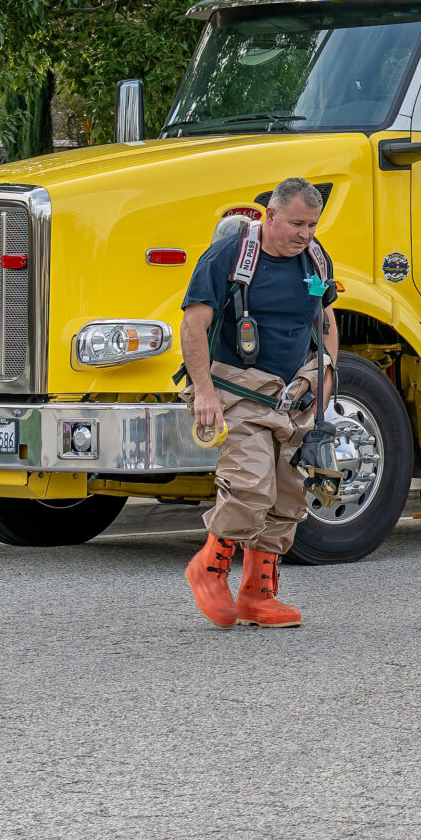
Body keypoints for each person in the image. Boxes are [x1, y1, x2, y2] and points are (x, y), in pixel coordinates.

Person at [180, 178, 340, 629]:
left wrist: (324, 378)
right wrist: (205, 393)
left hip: (289, 396)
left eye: (311, 224)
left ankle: (257, 593)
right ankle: (208, 567)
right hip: (235, 387)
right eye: (296, 223)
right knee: (251, 486)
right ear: (269, 216)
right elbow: (194, 327)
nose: (305, 233)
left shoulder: (316, 258)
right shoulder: (230, 257)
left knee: (288, 495)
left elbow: (326, 323)